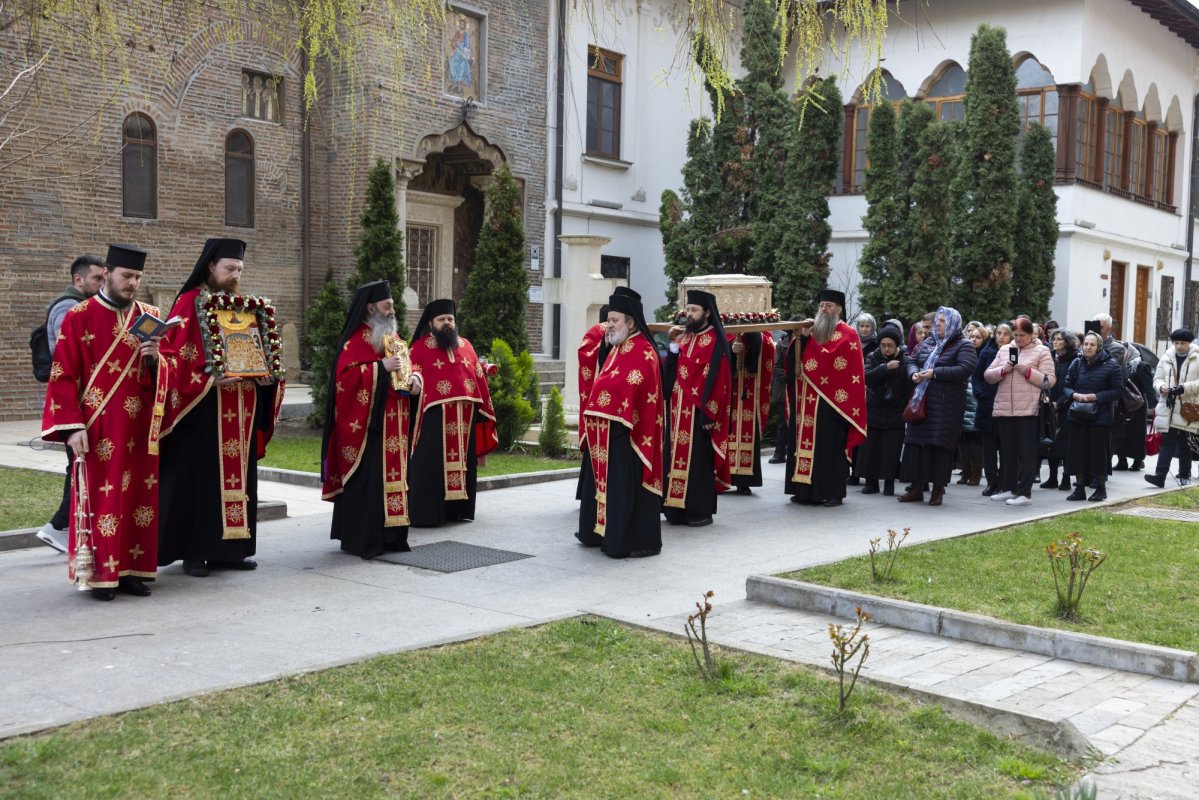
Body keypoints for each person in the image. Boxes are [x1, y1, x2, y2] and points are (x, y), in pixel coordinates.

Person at [40, 244, 162, 600]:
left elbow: (165, 373)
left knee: (137, 499)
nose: (133, 284)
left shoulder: (149, 315)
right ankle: (99, 575)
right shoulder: (78, 316)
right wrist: (72, 426)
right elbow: (62, 375)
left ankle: (130, 571)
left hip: (139, 426)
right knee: (102, 501)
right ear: (107, 274)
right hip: (98, 427)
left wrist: (156, 360)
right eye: (127, 276)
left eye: (138, 277)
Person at [156, 239, 283, 578]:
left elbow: (260, 354)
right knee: (201, 482)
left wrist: (268, 376)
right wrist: (209, 381)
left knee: (239, 481)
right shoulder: (188, 304)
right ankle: (195, 552)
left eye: (239, 270)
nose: (234, 275)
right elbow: (173, 358)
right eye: (229, 269)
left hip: (241, 407)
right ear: (210, 266)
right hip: (203, 412)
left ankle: (231, 550)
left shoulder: (243, 307)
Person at [321, 281, 422, 558]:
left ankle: (393, 537)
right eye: (387, 306)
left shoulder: (393, 336)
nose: (392, 311)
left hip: (396, 424)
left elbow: (408, 366)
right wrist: (380, 367)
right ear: (370, 308)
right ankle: (367, 540)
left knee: (396, 481)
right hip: (369, 429)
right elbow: (345, 380)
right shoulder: (355, 340)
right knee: (372, 483)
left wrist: (415, 379)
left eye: (392, 306)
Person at [577, 291, 664, 558]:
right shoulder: (617, 347)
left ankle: (632, 541)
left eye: (614, 320)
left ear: (631, 323)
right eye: (608, 320)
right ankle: (597, 532)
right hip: (606, 433)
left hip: (629, 437)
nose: (609, 325)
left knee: (624, 490)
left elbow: (632, 388)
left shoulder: (644, 351)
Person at [407, 299, 498, 526]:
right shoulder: (419, 347)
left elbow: (475, 371)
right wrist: (414, 377)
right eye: (441, 320)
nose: (447, 323)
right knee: (430, 464)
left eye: (450, 319)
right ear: (431, 323)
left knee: (464, 464)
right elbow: (412, 368)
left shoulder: (465, 344)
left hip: (464, 419)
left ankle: (456, 511)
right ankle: (427, 514)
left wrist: (484, 383)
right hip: (434, 416)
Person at [37, 255, 106, 553]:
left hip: (80, 404)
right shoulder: (69, 308)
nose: (101, 285)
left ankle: (64, 528)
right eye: (96, 279)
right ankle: (58, 527)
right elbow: (66, 356)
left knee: (79, 467)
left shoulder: (81, 306)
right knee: (77, 467)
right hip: (73, 405)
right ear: (78, 280)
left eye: (104, 279)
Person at [783, 289, 867, 508]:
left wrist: (808, 339)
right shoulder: (812, 332)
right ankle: (803, 491)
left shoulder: (848, 334)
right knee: (802, 445)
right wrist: (799, 338)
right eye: (821, 306)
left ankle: (833, 493)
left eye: (828, 305)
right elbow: (794, 362)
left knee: (829, 447)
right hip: (805, 401)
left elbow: (835, 365)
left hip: (832, 404)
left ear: (838, 309)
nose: (823, 309)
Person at [663, 289, 732, 525]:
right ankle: (675, 510)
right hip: (676, 410)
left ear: (707, 313)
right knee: (673, 459)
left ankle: (699, 512)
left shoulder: (715, 341)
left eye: (694, 310)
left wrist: (710, 413)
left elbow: (720, 380)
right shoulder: (686, 338)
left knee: (698, 463)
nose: (689, 314)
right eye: (688, 310)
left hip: (699, 413)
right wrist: (673, 350)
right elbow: (671, 374)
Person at [898, 306, 977, 506]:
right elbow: (912, 360)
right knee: (917, 445)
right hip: (922, 401)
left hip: (945, 405)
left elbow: (965, 368)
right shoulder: (929, 341)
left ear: (953, 323)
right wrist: (913, 373)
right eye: (937, 321)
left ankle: (937, 490)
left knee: (939, 447)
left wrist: (935, 373)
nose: (937, 324)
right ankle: (916, 488)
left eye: (942, 321)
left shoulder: (963, 344)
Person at [984, 318, 1055, 506]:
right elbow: (987, 376)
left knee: (1027, 453)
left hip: (1029, 411)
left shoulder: (1042, 351)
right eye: (1015, 335)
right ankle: (1008, 488)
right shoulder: (1005, 349)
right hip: (1005, 409)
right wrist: (1003, 370)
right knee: (1007, 452)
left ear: (1032, 334)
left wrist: (1028, 372)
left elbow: (1049, 381)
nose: (1018, 339)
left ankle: (1025, 493)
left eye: (1022, 335)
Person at [1063, 331, 1123, 501]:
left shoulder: (1111, 365)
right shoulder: (1076, 363)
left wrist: (1096, 397)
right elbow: (1066, 385)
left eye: (1092, 344)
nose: (1088, 347)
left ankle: (1101, 489)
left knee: (1098, 454)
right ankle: (1079, 488)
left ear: (1099, 347)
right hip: (1077, 415)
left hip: (1100, 417)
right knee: (1077, 453)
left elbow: (1118, 390)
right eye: (1086, 344)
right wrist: (1074, 395)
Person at [859, 324, 908, 496]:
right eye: (883, 345)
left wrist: (901, 403)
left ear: (897, 346)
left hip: (895, 411)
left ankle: (889, 484)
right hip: (875, 408)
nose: (886, 349)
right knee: (872, 448)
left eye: (890, 346)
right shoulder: (873, 356)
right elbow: (866, 378)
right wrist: (884, 368)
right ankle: (871, 483)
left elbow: (908, 385)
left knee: (891, 450)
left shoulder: (905, 358)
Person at [1146, 328, 1199, 487]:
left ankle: (1184, 474)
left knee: (1184, 443)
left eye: (1182, 343)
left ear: (1189, 343)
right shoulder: (1166, 358)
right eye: (1176, 343)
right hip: (1168, 406)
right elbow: (1157, 379)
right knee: (1167, 443)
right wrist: (1162, 387)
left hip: (1187, 407)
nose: (1179, 346)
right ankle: (1159, 476)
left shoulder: (1197, 358)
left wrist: (1183, 388)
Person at [726, 329, 775, 494]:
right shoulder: (726, 330)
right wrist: (731, 346)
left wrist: (755, 342)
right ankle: (724, 477)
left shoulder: (763, 334)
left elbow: (769, 346)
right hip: (730, 393)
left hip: (751, 392)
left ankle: (744, 481)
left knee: (748, 432)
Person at [1042, 329, 1079, 492]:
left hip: (1066, 407)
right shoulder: (1051, 357)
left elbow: (1071, 385)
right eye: (1054, 339)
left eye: (1059, 339)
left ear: (1067, 343)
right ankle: (1052, 477)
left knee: (1064, 445)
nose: (1055, 342)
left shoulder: (1074, 360)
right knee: (1051, 442)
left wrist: (1060, 403)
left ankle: (1065, 478)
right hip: (1049, 404)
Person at [970, 325, 1000, 494]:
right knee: (988, 448)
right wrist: (980, 393)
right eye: (998, 333)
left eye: (1005, 334)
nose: (1001, 337)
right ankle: (991, 481)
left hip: (1008, 407)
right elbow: (976, 375)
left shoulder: (1015, 352)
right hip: (987, 405)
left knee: (1006, 448)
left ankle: (1005, 481)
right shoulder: (987, 351)